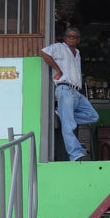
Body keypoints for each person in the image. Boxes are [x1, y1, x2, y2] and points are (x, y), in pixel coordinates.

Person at [40, 27, 99, 161]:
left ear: (78, 40)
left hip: (76, 91)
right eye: (69, 36)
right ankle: (75, 154)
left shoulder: (77, 52)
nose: (71, 38)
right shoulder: (58, 47)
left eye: (74, 37)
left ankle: (62, 114)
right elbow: (44, 53)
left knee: (93, 115)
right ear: (64, 37)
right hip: (64, 89)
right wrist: (57, 70)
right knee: (69, 125)